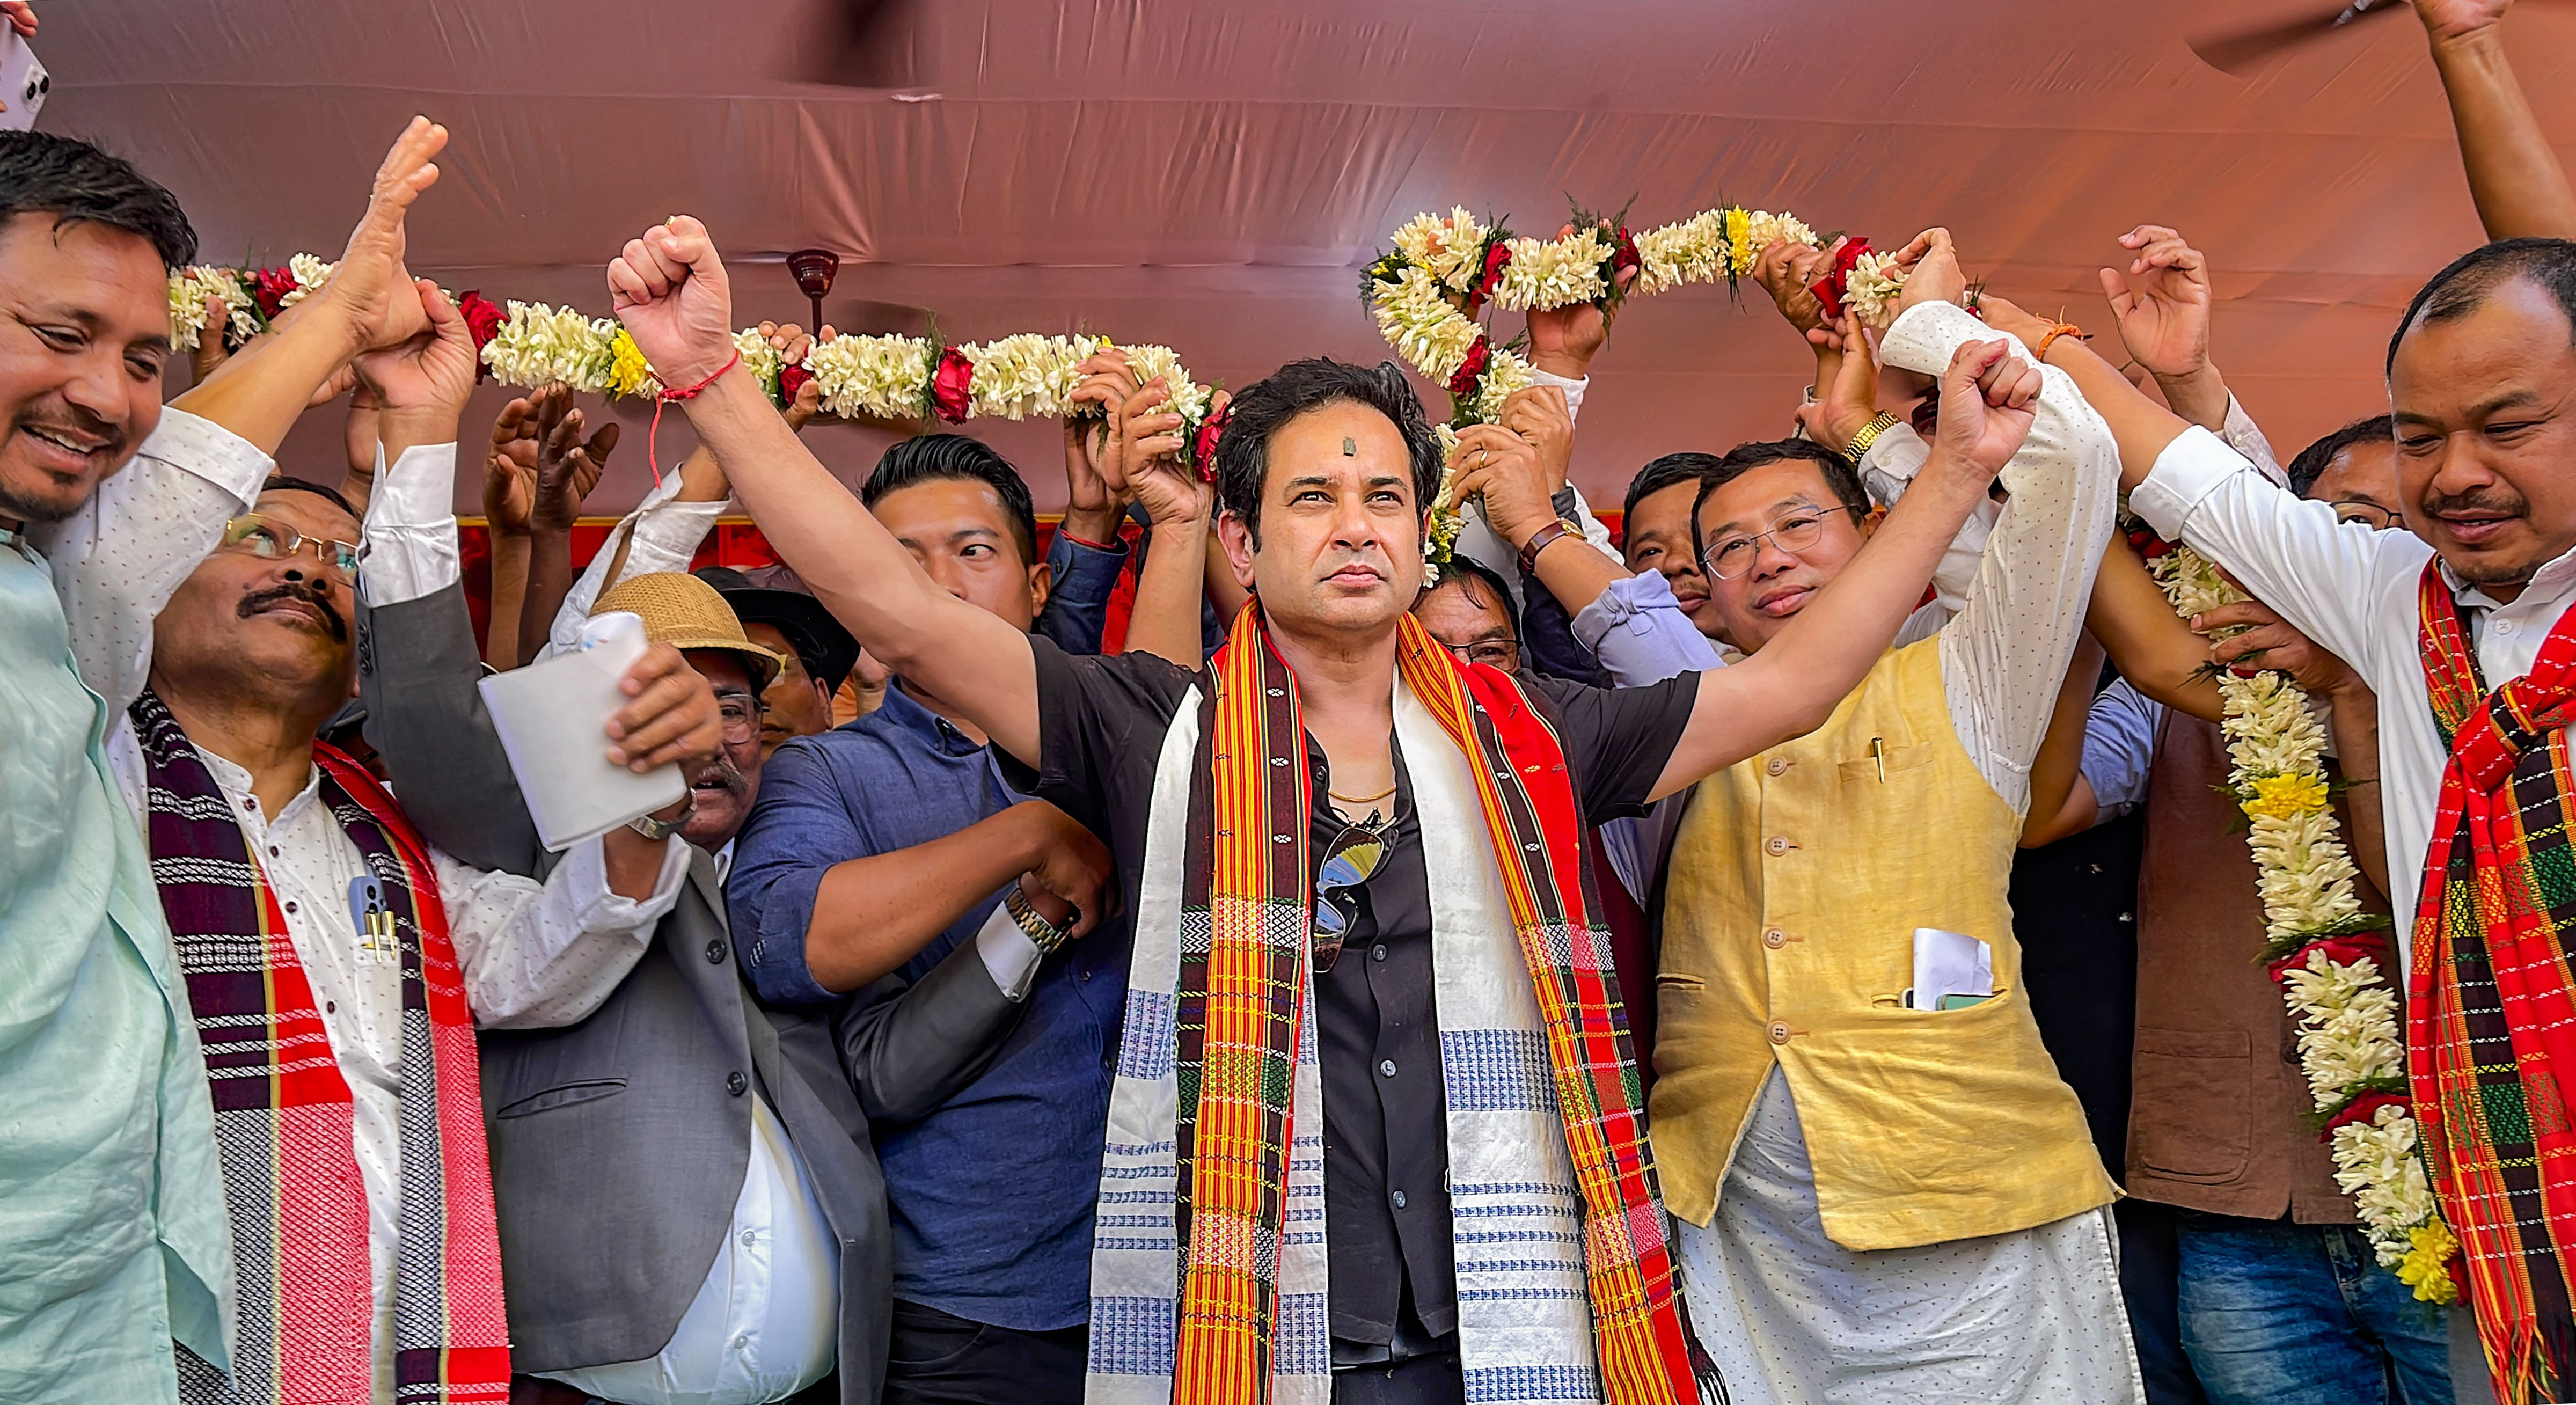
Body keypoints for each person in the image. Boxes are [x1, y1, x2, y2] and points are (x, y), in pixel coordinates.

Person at [606, 211, 2031, 1404]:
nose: (1355, 521)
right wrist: (721, 382)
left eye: (1384, 495)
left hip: (1508, 1330)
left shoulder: (1528, 733)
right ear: (1240, 538)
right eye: (1311, 497)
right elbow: (901, 616)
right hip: (1263, 1335)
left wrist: (1958, 469)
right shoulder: (1152, 731)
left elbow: (1786, 690)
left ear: (1420, 536)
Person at [725, 430, 1147, 1405]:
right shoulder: (825, 770)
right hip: (971, 1307)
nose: (939, 584)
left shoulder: (1105, 737)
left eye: (973, 551)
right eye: (899, 561)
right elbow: (796, 942)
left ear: (1036, 586)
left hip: (1170, 1280)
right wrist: (1022, 837)